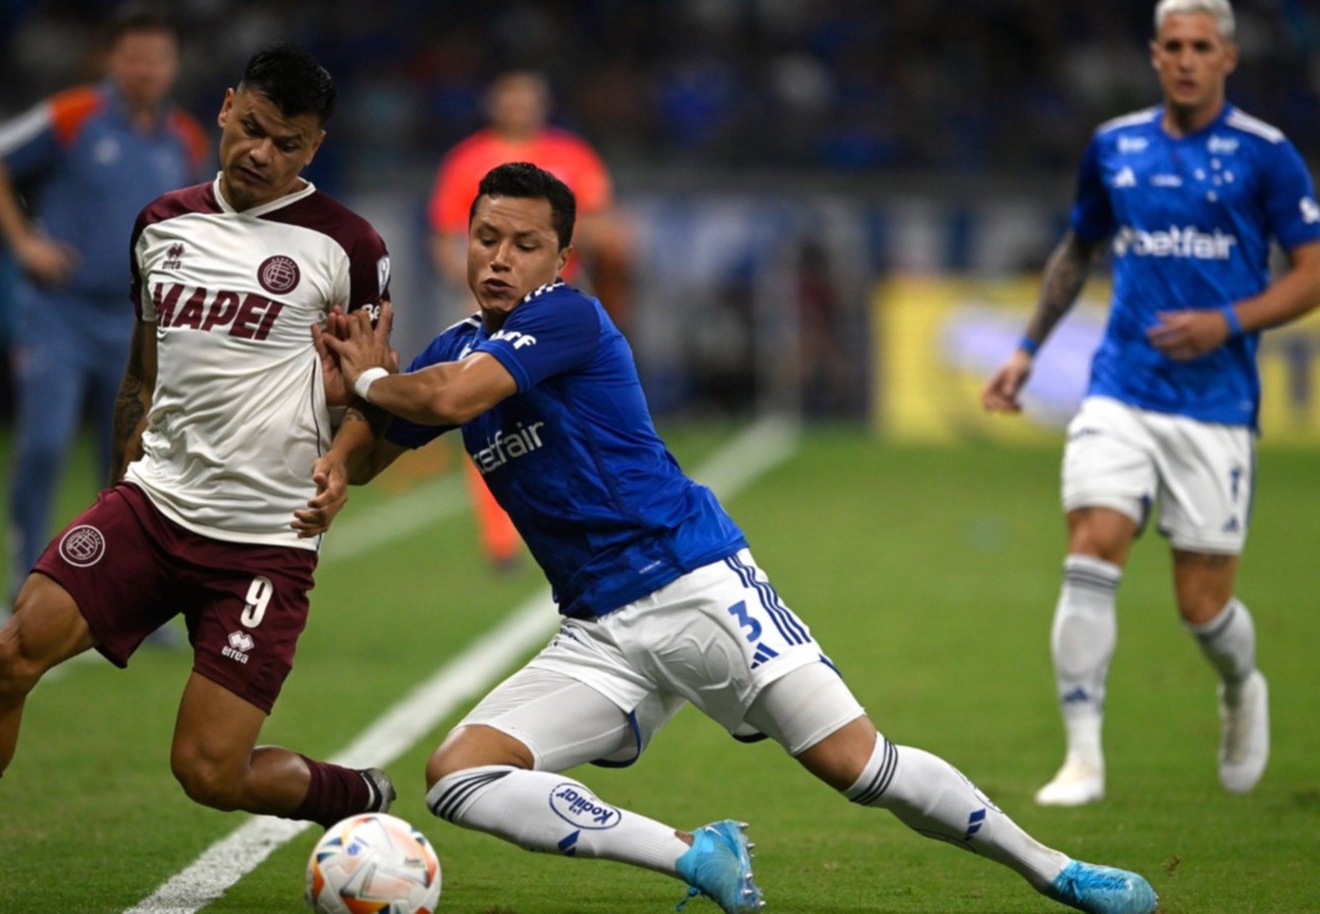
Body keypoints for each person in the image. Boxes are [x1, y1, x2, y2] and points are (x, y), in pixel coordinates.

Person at [302, 162, 1157, 914]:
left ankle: (1057, 871)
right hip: (598, 633)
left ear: (560, 260)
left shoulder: (568, 317)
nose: (497, 257)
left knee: (862, 768)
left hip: (695, 584)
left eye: (523, 244)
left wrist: (376, 377)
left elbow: (444, 401)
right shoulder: (455, 345)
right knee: (460, 776)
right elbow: (383, 440)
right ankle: (694, 852)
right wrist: (346, 435)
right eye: (484, 237)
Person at [0, 44, 395, 912]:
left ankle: (353, 795)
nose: (260, 153)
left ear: (313, 148)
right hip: (152, 506)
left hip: (261, 545)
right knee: (6, 656)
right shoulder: (161, 223)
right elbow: (142, 373)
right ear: (222, 108)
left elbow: (376, 393)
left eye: (286, 143)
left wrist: (345, 461)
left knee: (209, 773)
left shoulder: (348, 246)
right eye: (250, 129)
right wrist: (116, 484)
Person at [980, 0, 1320, 807]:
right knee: (1092, 545)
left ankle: (1241, 687)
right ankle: (1083, 759)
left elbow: (1311, 271)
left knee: (1202, 608)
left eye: (1202, 46)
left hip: (1214, 406)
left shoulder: (1267, 158)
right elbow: (1078, 248)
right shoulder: (1116, 147)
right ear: (1154, 55)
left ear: (1228, 58)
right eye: (1173, 46)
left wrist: (1227, 322)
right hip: (1120, 388)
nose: (1187, 59)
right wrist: (1026, 351)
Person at [0, 6, 209, 595]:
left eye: (155, 58)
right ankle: (23, 577)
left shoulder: (186, 138)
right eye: (133, 56)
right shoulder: (73, 116)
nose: (144, 69)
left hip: (137, 323)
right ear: (112, 59)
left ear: (173, 65)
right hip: (60, 313)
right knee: (45, 444)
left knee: (133, 465)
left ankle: (124, 590)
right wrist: (24, 242)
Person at [426, 69, 631, 572]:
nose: (519, 108)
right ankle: (501, 541)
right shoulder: (468, 160)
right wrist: (473, 283)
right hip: (493, 311)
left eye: (528, 99)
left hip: (557, 308)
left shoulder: (572, 156)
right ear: (495, 105)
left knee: (575, 416)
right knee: (488, 419)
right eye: (510, 99)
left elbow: (602, 222)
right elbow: (444, 233)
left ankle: (592, 517)